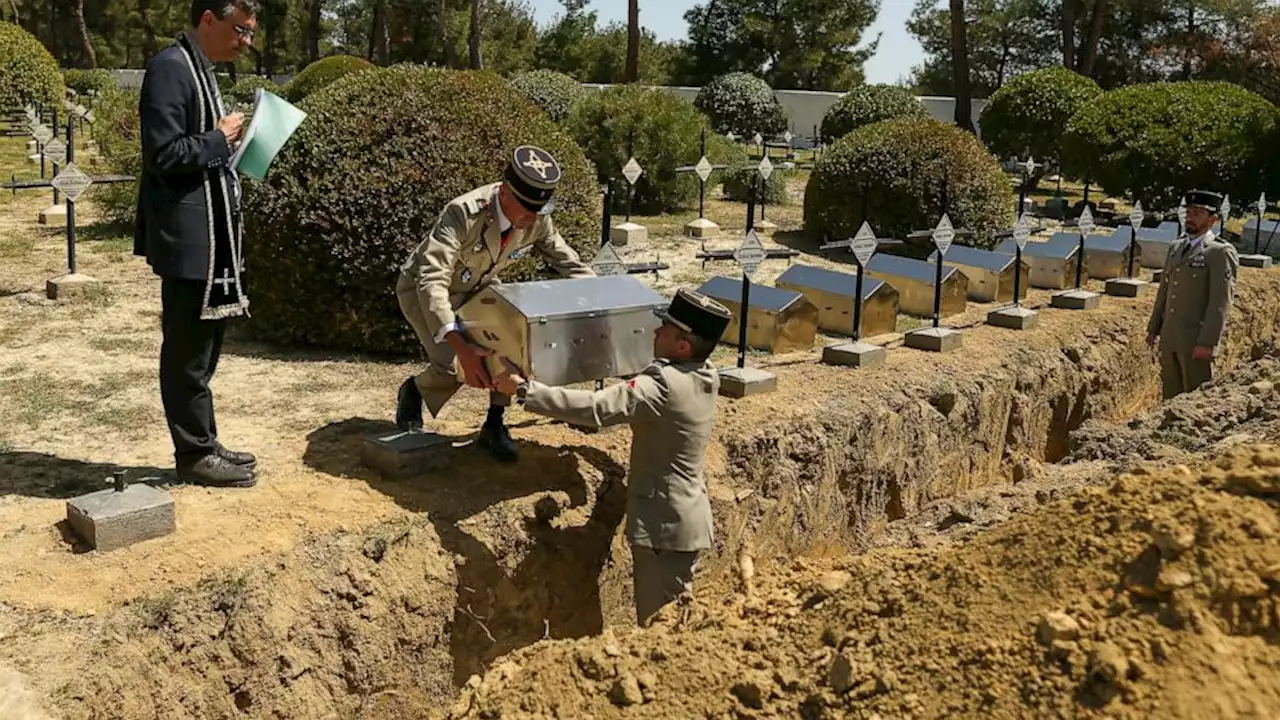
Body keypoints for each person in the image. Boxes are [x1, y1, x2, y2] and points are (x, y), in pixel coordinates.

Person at [493, 288, 733, 625]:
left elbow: (596, 408)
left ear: (683, 346)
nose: (655, 331)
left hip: (663, 529)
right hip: (682, 521)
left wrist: (523, 390)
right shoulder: (705, 373)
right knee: (672, 620)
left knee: (659, 629)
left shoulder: (662, 385)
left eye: (665, 328)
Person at [395, 145, 595, 462]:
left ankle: (494, 424)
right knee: (453, 365)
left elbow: (568, 261)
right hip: (428, 291)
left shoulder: (537, 219)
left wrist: (602, 295)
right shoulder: (463, 212)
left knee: (511, 347)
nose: (532, 220)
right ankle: (415, 390)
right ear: (504, 193)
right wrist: (461, 345)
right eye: (527, 210)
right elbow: (432, 278)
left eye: (538, 212)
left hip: (480, 287)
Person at [134, 0, 259, 487]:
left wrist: (232, 141)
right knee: (186, 351)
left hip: (211, 235)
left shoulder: (202, 67)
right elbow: (162, 152)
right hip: (187, 237)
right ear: (209, 18)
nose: (244, 42)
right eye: (239, 30)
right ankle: (193, 455)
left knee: (205, 349)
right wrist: (217, 137)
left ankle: (204, 441)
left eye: (249, 33)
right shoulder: (170, 67)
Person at [1146, 189, 1239, 399]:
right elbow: (1165, 291)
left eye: (1198, 213)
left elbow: (1220, 302)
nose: (1190, 218)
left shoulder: (1218, 252)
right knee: (1169, 396)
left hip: (1195, 341)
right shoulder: (1176, 247)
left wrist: (1207, 342)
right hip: (1171, 336)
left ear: (1212, 219)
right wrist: (1154, 328)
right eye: (1188, 212)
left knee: (1194, 398)